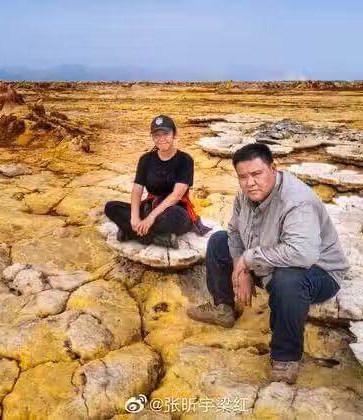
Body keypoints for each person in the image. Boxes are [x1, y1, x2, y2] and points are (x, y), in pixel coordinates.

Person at [186, 143, 349, 384]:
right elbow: (234, 232)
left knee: (288, 280)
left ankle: (286, 356)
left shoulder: (296, 201)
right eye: (243, 177)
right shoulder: (245, 195)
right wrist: (241, 269)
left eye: (256, 174)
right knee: (219, 241)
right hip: (271, 262)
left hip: (319, 272)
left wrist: (248, 259)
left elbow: (303, 254)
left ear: (273, 168)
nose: (250, 183)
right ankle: (223, 309)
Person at [104, 115, 210, 249]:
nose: (161, 138)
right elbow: (137, 189)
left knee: (175, 217)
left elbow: (176, 195)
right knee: (111, 207)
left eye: (166, 134)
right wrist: (134, 217)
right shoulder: (146, 159)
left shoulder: (185, 160)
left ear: (174, 134)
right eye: (157, 135)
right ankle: (158, 238)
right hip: (150, 207)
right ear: (152, 137)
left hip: (174, 210)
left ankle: (130, 233)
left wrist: (150, 218)